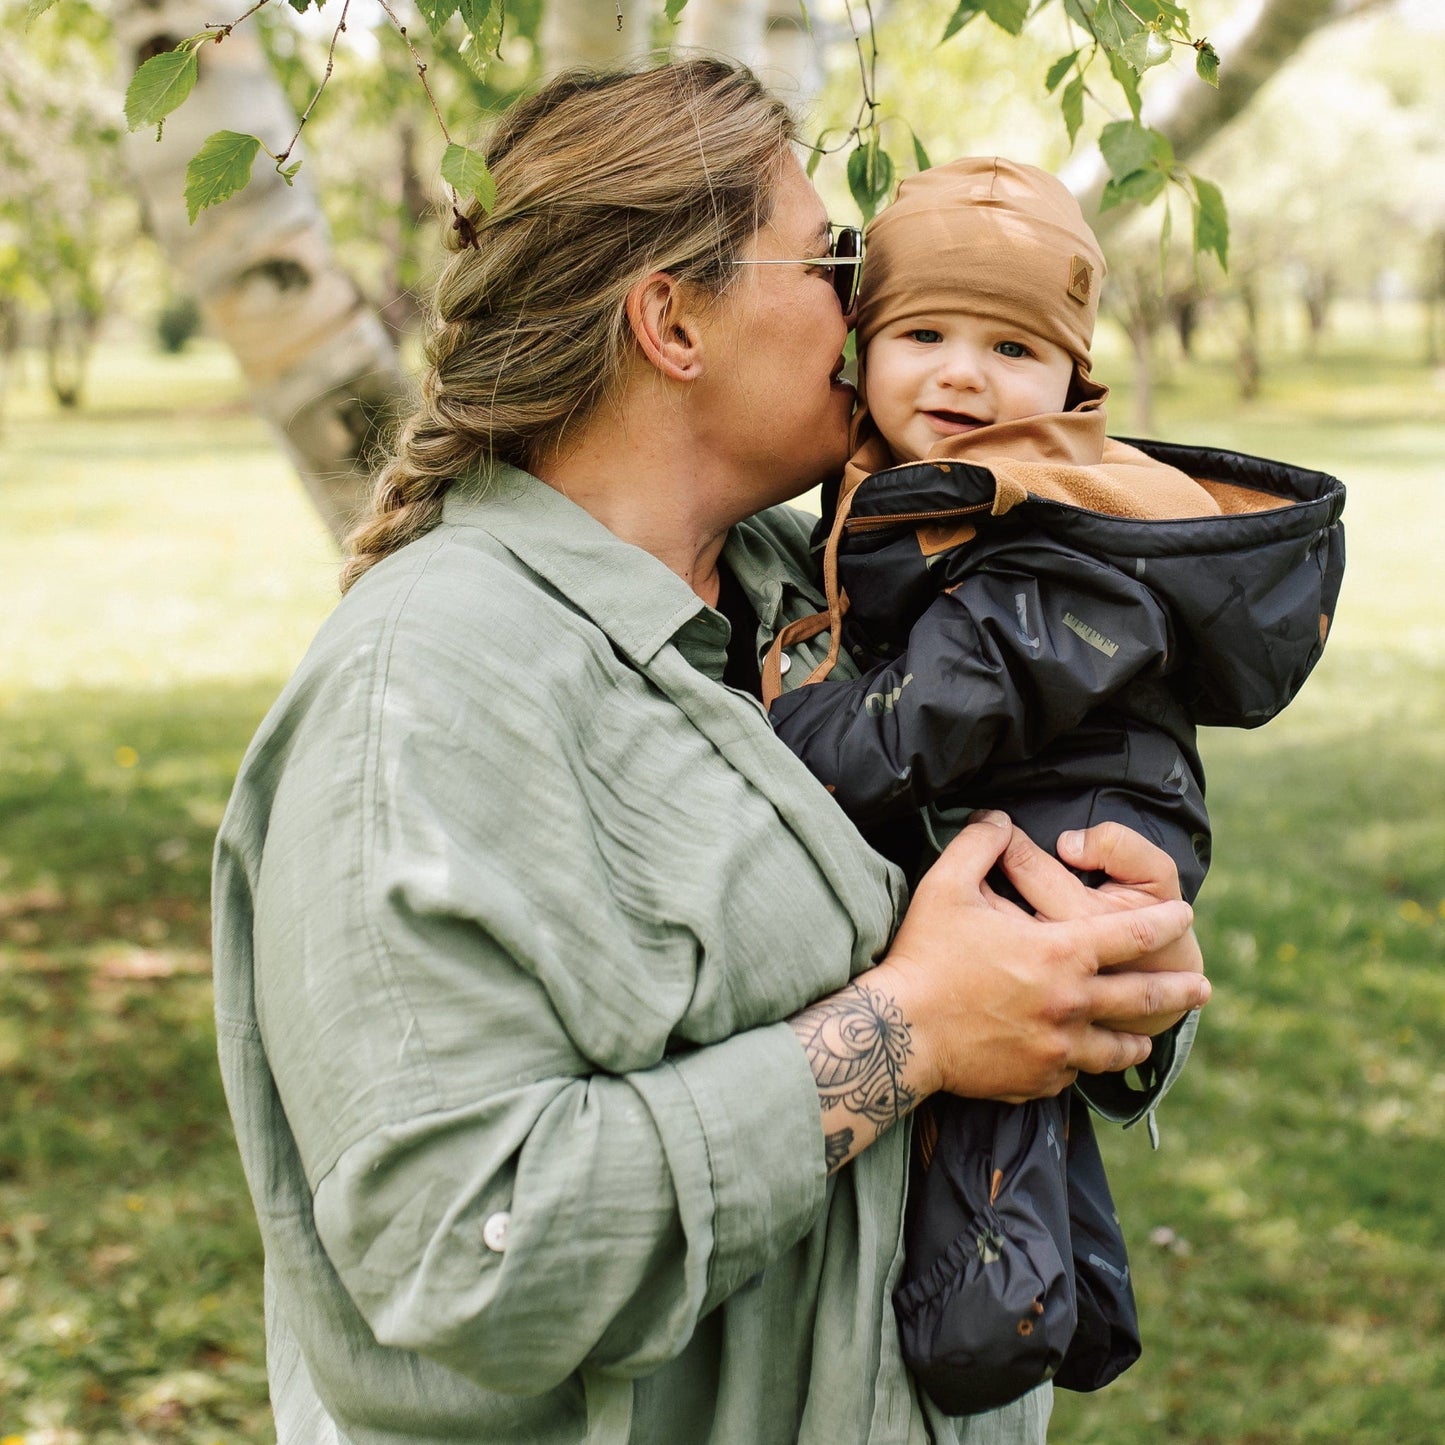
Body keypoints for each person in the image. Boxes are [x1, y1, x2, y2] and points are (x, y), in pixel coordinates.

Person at [210, 68, 1213, 1445]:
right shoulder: (421, 696)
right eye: (834, 261)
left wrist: (1106, 979)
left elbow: (998, 925)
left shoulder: (820, 595)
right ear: (671, 319)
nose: (865, 309)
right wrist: (909, 1031)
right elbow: (469, 1252)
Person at [765, 157, 1346, 1414]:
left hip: (1084, 819)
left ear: (1070, 384)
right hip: (1054, 794)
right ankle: (1079, 1295)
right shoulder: (922, 494)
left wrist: (767, 738)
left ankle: (991, 1316)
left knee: (997, 1086)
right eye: (922, 333)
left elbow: (924, 716)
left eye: (1011, 349)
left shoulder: (1049, 534)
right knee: (1036, 1091)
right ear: (858, 348)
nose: (963, 374)